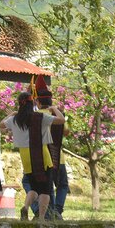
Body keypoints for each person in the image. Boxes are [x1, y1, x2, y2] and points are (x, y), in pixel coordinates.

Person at [2, 90, 65, 222]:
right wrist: (55, 109)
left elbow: (1, 125)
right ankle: (41, 217)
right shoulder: (40, 117)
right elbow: (61, 120)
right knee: (45, 190)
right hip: (42, 156)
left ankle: (25, 207)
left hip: (26, 157)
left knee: (34, 187)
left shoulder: (15, 120)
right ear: (32, 104)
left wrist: (13, 114)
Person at [32, 76, 69, 220]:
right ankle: (57, 210)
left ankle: (50, 211)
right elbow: (66, 132)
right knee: (62, 185)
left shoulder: (35, 116)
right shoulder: (57, 115)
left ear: (38, 101)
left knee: (48, 187)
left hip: (41, 158)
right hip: (58, 157)